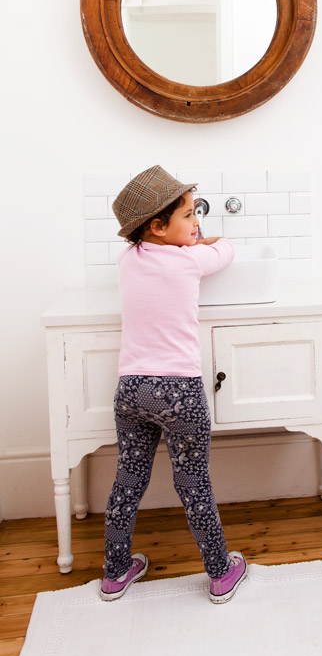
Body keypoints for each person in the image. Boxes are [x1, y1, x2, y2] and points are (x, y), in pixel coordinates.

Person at [100, 164, 247, 604]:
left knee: (128, 479)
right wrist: (214, 241)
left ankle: (115, 571)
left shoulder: (129, 258)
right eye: (188, 215)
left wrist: (191, 234)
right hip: (178, 392)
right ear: (158, 227)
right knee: (193, 484)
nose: (197, 222)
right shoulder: (190, 260)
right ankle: (221, 573)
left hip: (131, 390)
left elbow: (167, 247)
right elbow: (229, 251)